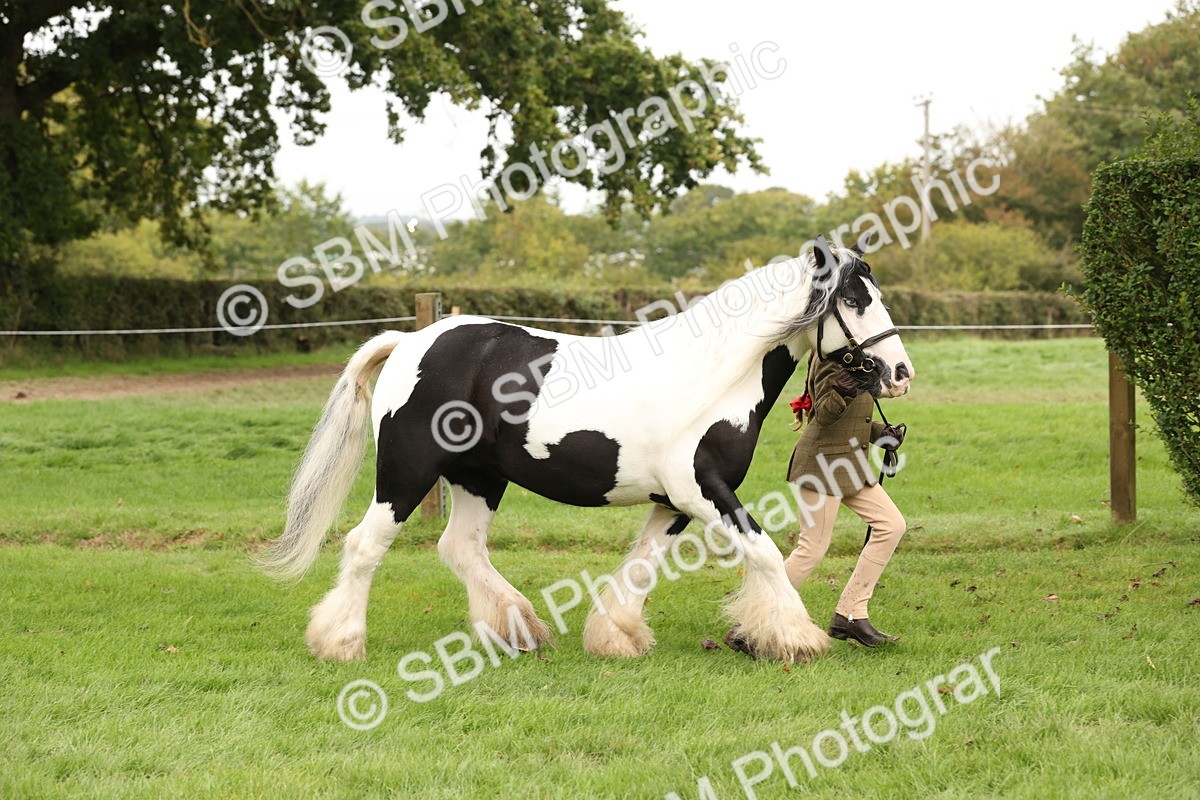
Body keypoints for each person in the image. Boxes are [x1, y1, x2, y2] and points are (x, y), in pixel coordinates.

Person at [781, 352, 907, 647]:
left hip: (849, 465)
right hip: (821, 466)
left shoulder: (857, 358)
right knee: (811, 548)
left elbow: (853, 419)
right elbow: (823, 415)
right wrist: (841, 390)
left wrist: (880, 433)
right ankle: (752, 622)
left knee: (891, 525)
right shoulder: (830, 360)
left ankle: (850, 614)